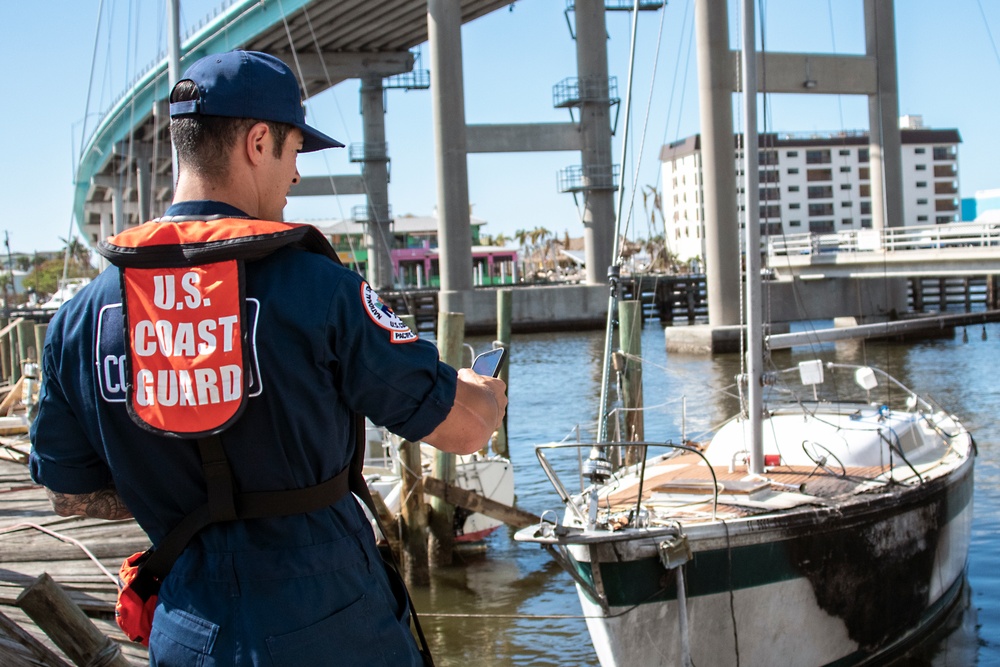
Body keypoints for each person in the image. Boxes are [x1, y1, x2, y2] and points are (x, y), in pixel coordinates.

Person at [29, 50, 507, 666]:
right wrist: (484, 390)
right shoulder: (320, 293)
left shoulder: (80, 320)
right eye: (294, 151)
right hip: (332, 626)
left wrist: (173, 487)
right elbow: (464, 429)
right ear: (258, 141)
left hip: (189, 630)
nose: (297, 177)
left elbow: (69, 495)